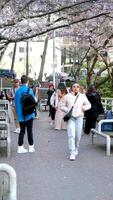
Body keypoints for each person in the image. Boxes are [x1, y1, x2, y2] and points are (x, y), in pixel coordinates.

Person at [61, 82, 91, 161]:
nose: (76, 88)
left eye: (77, 87)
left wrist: (83, 108)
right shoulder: (67, 96)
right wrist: (67, 110)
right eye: (74, 86)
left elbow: (89, 105)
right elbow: (61, 106)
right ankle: (72, 152)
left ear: (79, 88)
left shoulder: (82, 96)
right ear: (71, 88)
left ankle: (76, 147)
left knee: (78, 136)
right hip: (71, 118)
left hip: (80, 118)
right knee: (71, 135)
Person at [15, 75, 35, 153]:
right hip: (29, 114)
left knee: (22, 131)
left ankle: (20, 147)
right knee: (30, 131)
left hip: (21, 116)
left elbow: (16, 104)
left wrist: (18, 114)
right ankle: (31, 147)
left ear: (21, 81)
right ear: (27, 81)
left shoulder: (17, 91)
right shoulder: (29, 90)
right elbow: (34, 101)